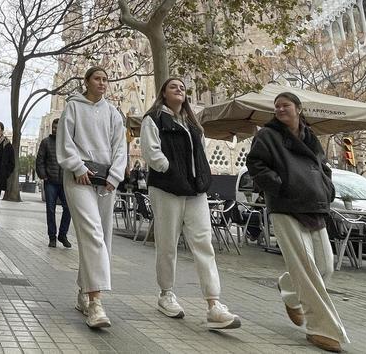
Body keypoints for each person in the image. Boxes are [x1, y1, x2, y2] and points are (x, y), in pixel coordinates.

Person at [246, 92, 349, 352]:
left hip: (314, 205)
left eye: (286, 105)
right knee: (307, 269)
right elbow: (255, 163)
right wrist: (278, 185)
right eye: (277, 106)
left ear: (298, 109)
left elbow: (322, 165)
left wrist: (326, 187)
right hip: (285, 205)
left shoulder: (310, 136)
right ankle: (321, 329)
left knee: (325, 266)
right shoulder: (268, 135)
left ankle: (290, 290)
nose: (281, 109)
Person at [140, 78, 243, 330]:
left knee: (203, 243)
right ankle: (166, 294)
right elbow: (151, 152)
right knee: (167, 243)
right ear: (163, 93)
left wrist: (202, 177)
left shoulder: (192, 122)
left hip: (195, 190)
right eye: (173, 86)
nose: (179, 89)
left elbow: (199, 155)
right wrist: (169, 170)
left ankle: (213, 304)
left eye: (183, 87)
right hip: (166, 188)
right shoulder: (153, 119)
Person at [56, 66, 127, 329]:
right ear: (86, 82)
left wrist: (115, 176)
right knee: (93, 233)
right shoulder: (72, 108)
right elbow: (65, 142)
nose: (102, 82)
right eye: (97, 78)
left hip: (106, 182)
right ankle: (96, 303)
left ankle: (83, 293)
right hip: (78, 179)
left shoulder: (113, 113)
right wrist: (77, 167)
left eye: (106, 79)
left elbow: (121, 147)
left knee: (100, 237)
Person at [35, 119, 72, 248]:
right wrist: (43, 175)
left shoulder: (67, 143)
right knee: (50, 209)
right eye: (54, 128)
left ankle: (63, 234)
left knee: (69, 208)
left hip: (64, 182)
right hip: (50, 181)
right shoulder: (46, 142)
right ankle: (52, 237)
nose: (55, 130)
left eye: (58, 128)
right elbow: (39, 160)